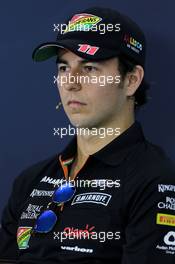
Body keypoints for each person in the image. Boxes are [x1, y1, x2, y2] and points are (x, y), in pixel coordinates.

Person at [0, 6, 175, 264]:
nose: (71, 82)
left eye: (90, 68)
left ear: (131, 80)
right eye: (63, 68)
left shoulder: (154, 180)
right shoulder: (31, 181)